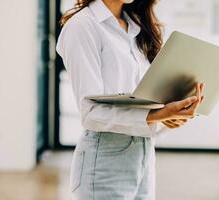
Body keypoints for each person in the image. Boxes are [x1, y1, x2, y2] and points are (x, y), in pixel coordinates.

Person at [56, 0, 204, 199]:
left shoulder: (136, 26)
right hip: (104, 163)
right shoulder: (82, 26)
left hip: (143, 157)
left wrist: (165, 118)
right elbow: (91, 114)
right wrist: (156, 115)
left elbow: (140, 102)